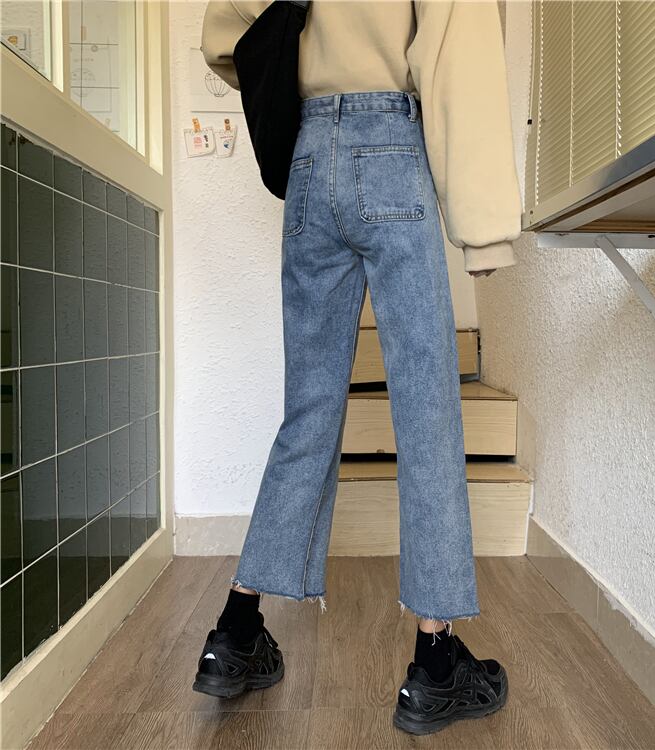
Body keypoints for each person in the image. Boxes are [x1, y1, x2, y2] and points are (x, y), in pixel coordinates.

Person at [196, 0, 522, 736]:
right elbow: (457, 52)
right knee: (427, 411)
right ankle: (434, 664)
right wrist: (483, 231)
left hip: (310, 158)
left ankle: (235, 632)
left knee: (308, 410)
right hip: (392, 152)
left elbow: (226, 38)